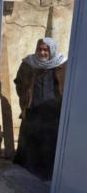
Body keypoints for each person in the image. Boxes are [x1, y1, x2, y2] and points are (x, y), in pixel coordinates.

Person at [13, 37, 67, 181]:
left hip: (54, 113)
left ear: (52, 51)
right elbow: (18, 82)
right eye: (40, 49)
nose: (42, 53)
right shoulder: (28, 64)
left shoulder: (63, 65)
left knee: (49, 144)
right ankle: (26, 171)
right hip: (32, 111)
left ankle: (46, 175)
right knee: (29, 142)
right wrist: (24, 97)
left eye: (46, 50)